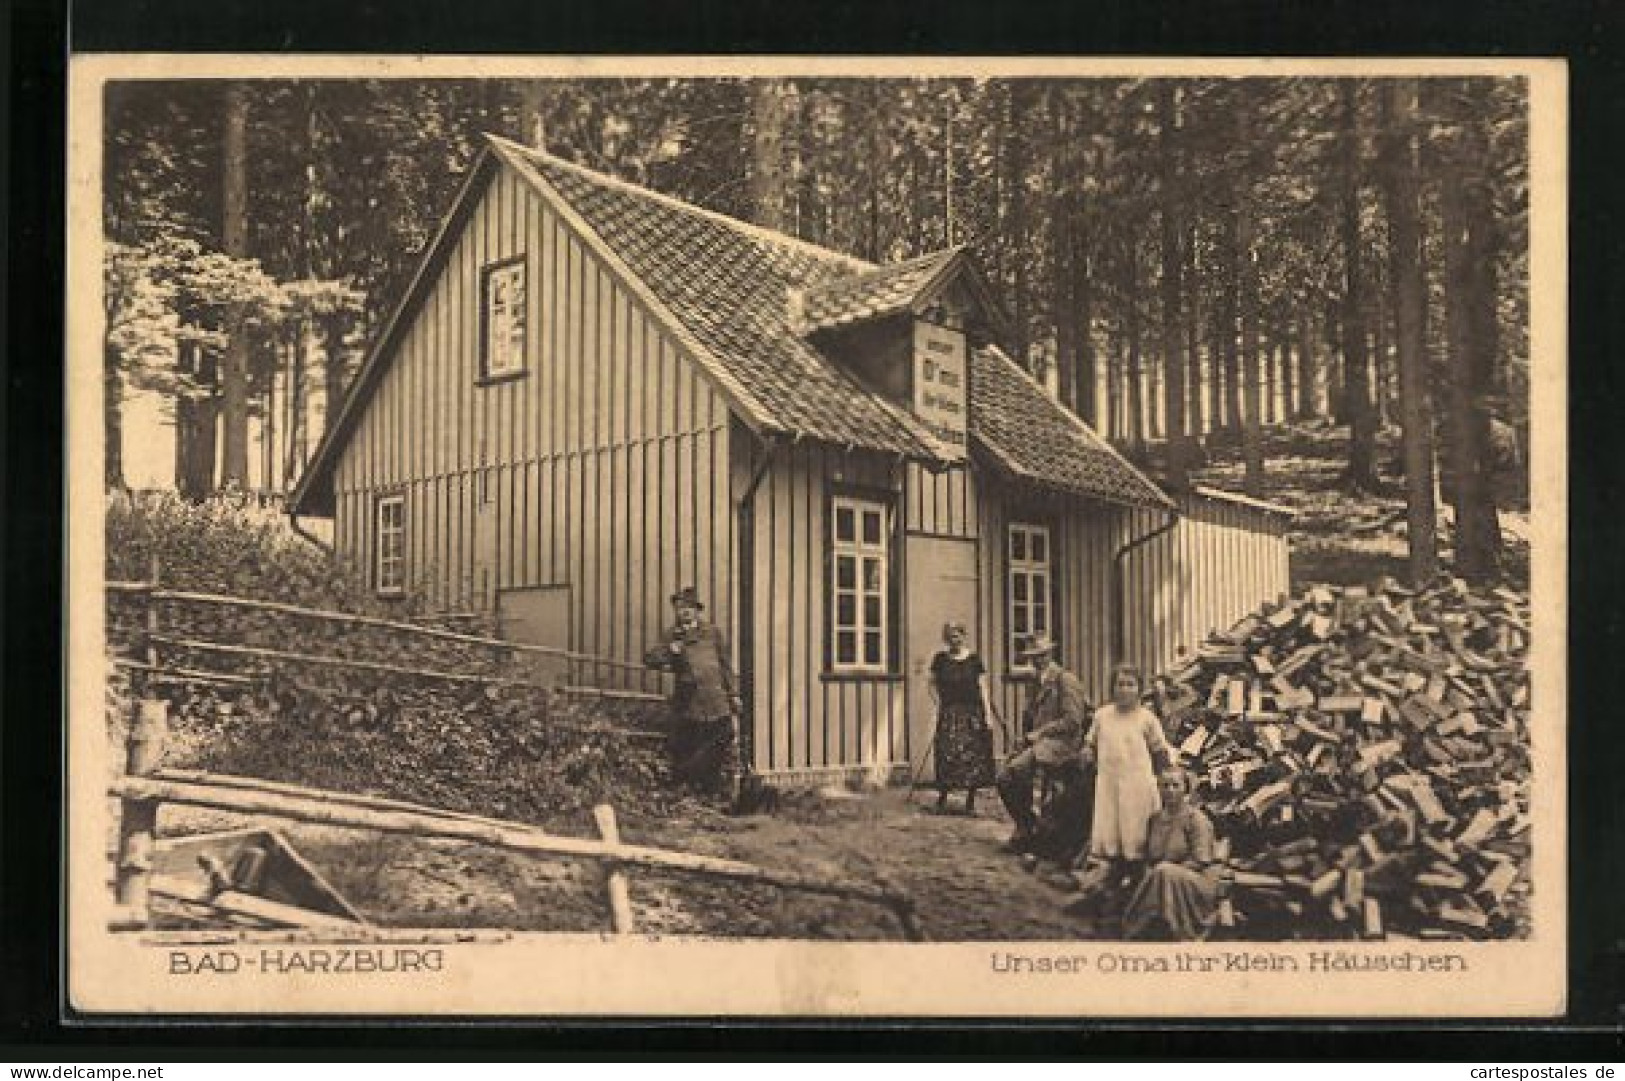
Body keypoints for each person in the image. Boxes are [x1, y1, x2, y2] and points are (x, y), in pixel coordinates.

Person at [643, 587, 743, 803]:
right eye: (680, 607)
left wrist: (733, 693)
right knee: (690, 746)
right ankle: (696, 793)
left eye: (689, 607)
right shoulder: (672, 635)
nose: (684, 612)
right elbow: (650, 659)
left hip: (716, 698)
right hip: (690, 703)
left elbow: (725, 665)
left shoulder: (712, 633)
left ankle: (711, 792)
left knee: (723, 738)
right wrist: (671, 651)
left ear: (697, 611)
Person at [995, 632, 1091, 853]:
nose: (1037, 660)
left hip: (1063, 744)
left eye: (1041, 655)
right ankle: (1027, 825)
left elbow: (1073, 721)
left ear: (1049, 654)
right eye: (1033, 656)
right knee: (1004, 776)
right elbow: (1030, 718)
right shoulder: (1034, 681)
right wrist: (1024, 739)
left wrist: (1039, 734)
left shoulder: (1065, 680)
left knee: (1016, 769)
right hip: (1041, 744)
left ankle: (1031, 830)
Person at [1078, 663, 1173, 883]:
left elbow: (1159, 750)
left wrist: (1165, 778)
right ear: (1112, 688)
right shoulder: (1103, 716)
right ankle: (1114, 874)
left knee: (1134, 829)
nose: (1124, 690)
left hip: (1137, 784)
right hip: (1109, 782)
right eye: (1120, 684)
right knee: (1112, 828)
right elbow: (1090, 741)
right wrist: (1087, 751)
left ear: (1139, 690)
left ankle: (1136, 875)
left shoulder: (1146, 718)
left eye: (1130, 685)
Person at [1120, 768, 1222, 941]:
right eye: (1165, 786)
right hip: (1163, 879)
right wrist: (1153, 874)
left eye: (1176, 785)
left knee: (1164, 871)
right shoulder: (1155, 819)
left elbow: (1201, 860)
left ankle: (1157, 928)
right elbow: (1150, 858)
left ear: (1186, 789)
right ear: (1159, 789)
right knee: (1157, 873)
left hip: (1198, 881)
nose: (1170, 791)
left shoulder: (1196, 819)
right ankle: (1149, 925)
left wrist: (1163, 873)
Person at [926, 621, 997, 815]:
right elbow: (931, 684)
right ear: (946, 639)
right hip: (950, 712)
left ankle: (970, 803)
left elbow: (983, 688)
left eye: (957, 636)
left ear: (964, 637)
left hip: (972, 712)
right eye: (950, 637)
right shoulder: (940, 659)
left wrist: (988, 715)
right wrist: (938, 702)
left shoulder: (974, 660)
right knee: (946, 754)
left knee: (973, 757)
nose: (954, 640)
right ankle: (942, 799)